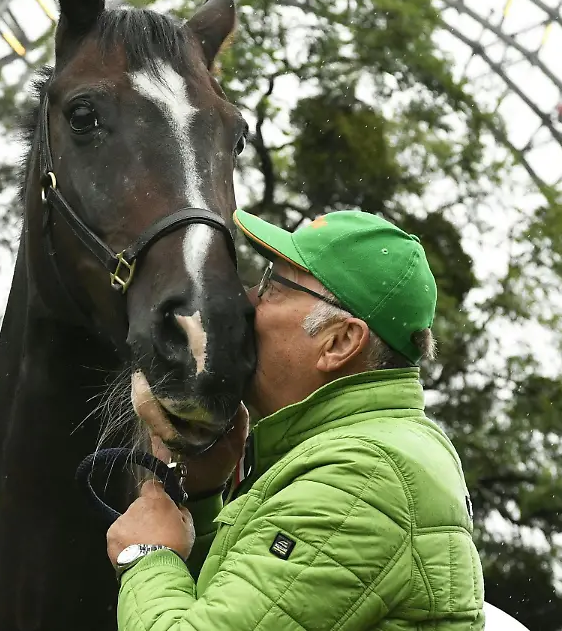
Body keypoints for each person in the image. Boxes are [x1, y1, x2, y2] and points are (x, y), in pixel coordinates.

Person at [106, 209, 486, 630]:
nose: (248, 299)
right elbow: (253, 606)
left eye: (272, 285)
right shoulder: (370, 455)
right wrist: (204, 497)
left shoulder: (362, 478)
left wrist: (146, 556)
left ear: (339, 342)